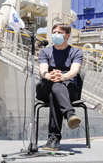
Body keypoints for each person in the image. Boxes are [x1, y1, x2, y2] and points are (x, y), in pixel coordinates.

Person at [35, 23, 83, 151]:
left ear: (67, 36)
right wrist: (50, 76)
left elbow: (75, 70)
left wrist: (63, 77)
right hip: (45, 86)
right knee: (54, 86)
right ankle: (69, 114)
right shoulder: (45, 51)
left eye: (59, 32)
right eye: (54, 32)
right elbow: (43, 69)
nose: (55, 35)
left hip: (68, 89)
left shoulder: (76, 52)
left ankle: (53, 139)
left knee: (55, 93)